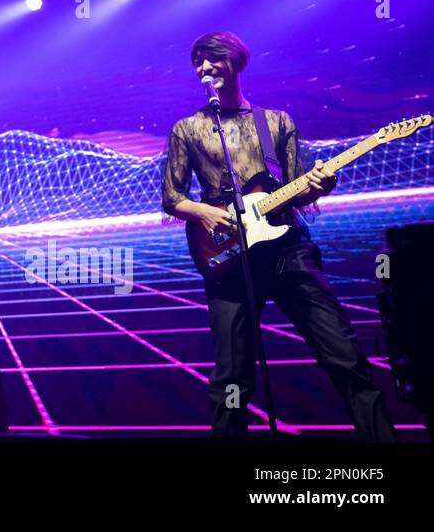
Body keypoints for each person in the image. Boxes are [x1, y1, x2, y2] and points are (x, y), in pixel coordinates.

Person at [162, 30, 395, 440]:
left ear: (235, 60)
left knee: (345, 357)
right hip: (227, 260)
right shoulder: (188, 128)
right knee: (232, 380)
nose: (203, 67)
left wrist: (320, 185)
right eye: (197, 62)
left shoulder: (275, 122)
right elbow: (171, 197)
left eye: (211, 58)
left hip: (288, 250)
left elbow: (296, 187)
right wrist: (204, 213)